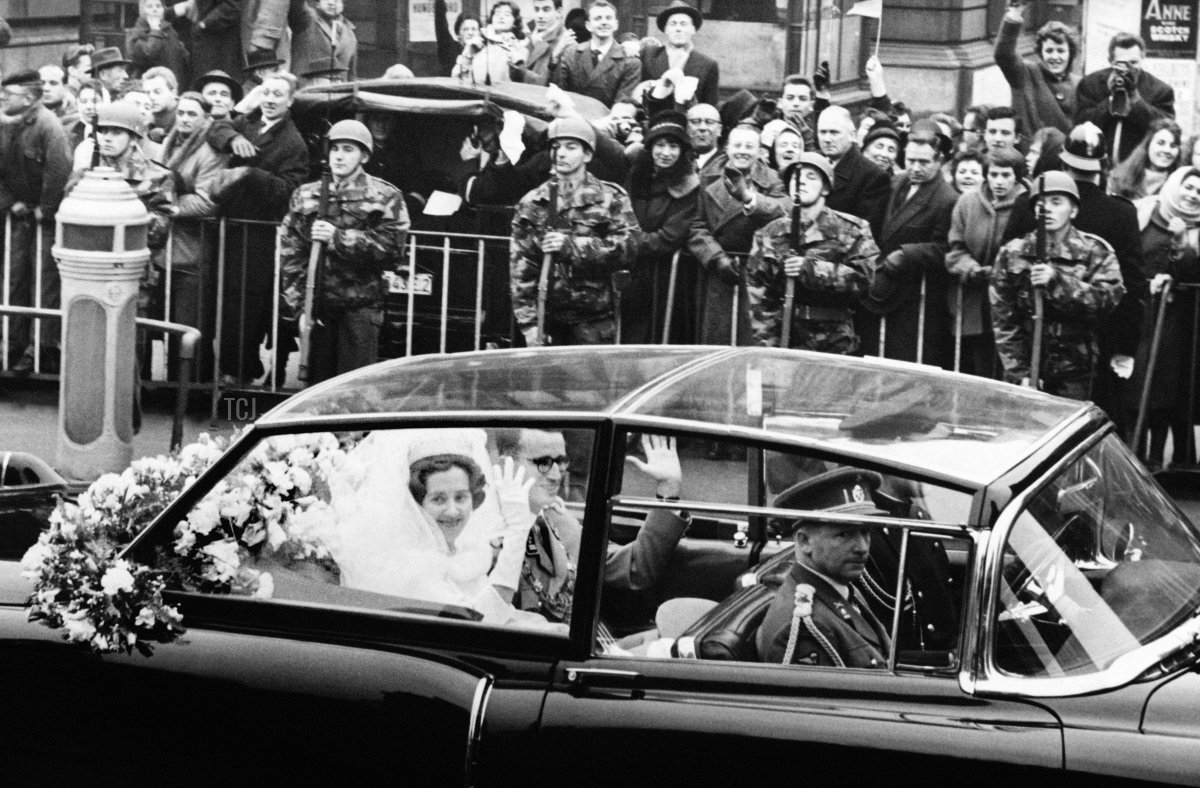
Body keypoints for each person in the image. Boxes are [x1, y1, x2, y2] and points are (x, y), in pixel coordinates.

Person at [328, 428, 564, 631]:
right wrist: (517, 532)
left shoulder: (460, 551)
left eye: (461, 497)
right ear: (416, 504)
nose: (453, 511)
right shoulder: (408, 565)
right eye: (438, 499)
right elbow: (482, 623)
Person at [1003, 126, 1146, 422]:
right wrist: (1125, 348)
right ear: (1102, 167)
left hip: (1032, 345)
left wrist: (1014, 362)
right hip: (1094, 346)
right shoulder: (1120, 213)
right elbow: (1132, 287)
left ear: (1064, 163)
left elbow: (1005, 294)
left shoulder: (1026, 204)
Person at [492, 429, 690, 630]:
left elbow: (634, 568)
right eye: (543, 462)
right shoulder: (482, 533)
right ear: (505, 465)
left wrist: (668, 488)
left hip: (596, 640)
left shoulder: (554, 516)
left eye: (560, 461)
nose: (555, 475)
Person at [279, 119, 409, 385]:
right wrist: (300, 307)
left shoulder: (385, 196)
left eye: (348, 149)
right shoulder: (305, 195)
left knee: (353, 389)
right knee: (316, 390)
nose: (339, 155)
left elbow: (392, 249)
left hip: (360, 307)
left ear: (364, 155)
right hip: (319, 307)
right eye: (335, 148)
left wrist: (338, 238)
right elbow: (292, 253)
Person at [206, 71, 309, 386]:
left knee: (246, 303)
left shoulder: (293, 142)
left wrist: (252, 174)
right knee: (223, 299)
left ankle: (240, 372)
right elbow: (216, 127)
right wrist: (233, 138)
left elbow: (290, 191)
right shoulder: (247, 122)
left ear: (290, 101)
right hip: (230, 228)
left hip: (260, 234)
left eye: (278, 94)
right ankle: (227, 368)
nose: (270, 99)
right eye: (266, 92)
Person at [991, 171, 1125, 399]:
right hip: (1026, 371)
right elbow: (1004, 319)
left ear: (1073, 210)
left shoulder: (1095, 252)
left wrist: (1058, 282)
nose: (1047, 209)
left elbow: (1106, 301)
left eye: (1056, 202)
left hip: (1075, 371)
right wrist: (1020, 372)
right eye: (1040, 203)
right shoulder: (1012, 253)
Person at [509, 116, 637, 346]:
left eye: (571, 147)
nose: (561, 154)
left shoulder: (611, 198)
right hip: (547, 321)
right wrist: (529, 326)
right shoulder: (533, 203)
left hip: (594, 322)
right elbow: (521, 269)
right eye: (556, 147)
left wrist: (571, 247)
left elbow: (629, 248)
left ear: (587, 154)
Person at [746, 152, 876, 353]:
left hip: (834, 340)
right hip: (784, 338)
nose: (801, 182)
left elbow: (865, 281)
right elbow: (758, 294)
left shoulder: (852, 229)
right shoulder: (769, 233)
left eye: (811, 176)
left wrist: (812, 270)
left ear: (825, 188)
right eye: (796, 177)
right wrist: (767, 347)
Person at [1120, 167, 1200, 469]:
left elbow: (1191, 273)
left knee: (1165, 386)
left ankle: (1156, 457)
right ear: (1174, 186)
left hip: (1174, 318)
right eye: (1188, 187)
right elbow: (1129, 255)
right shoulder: (1146, 211)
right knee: (1134, 379)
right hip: (1140, 309)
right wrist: (1146, 280)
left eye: (1198, 192)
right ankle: (1132, 450)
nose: (1192, 195)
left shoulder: (1195, 228)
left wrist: (1181, 243)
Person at [861, 119, 958, 365]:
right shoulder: (896, 183)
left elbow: (945, 249)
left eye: (924, 162)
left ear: (940, 161)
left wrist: (907, 254)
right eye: (911, 160)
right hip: (884, 292)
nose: (915, 167)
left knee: (906, 363)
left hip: (917, 301)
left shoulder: (947, 199)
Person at [687, 123, 792, 346]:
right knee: (717, 339)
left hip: (756, 271)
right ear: (727, 148)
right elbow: (696, 225)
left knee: (752, 338)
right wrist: (716, 258)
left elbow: (785, 210)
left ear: (759, 150)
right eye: (737, 145)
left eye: (749, 146)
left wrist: (750, 199)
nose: (743, 151)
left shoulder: (772, 179)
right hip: (720, 271)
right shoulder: (708, 177)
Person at [0, 70, 71, 376]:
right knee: (14, 281)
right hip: (18, 216)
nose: (2, 99)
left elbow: (59, 170)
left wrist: (47, 208)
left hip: (44, 220)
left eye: (7, 95)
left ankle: (40, 350)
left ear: (28, 98)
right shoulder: (5, 125)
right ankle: (12, 347)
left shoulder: (48, 126)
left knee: (44, 283)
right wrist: (10, 201)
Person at [756, 508, 891, 668]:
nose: (862, 548)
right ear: (804, 542)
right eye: (844, 534)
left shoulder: (840, 587)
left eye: (864, 532)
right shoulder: (806, 628)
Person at [159, 91, 228, 382]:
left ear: (205, 119)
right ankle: (174, 387)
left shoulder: (211, 151)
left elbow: (209, 201)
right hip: (166, 249)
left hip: (193, 251)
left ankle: (192, 389)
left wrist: (170, 206)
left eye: (192, 114)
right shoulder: (170, 141)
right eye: (182, 113)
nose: (184, 119)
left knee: (190, 325)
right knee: (170, 326)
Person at [945, 147, 1027, 378]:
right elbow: (955, 247)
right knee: (973, 369)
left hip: (1011, 304)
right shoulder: (968, 202)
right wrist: (970, 268)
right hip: (974, 300)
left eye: (1006, 175)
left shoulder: (1027, 204)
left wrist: (1001, 272)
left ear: (1017, 176)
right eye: (993, 174)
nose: (998, 182)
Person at [624, 110, 700, 344]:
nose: (666, 153)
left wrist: (625, 243)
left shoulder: (687, 186)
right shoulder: (637, 174)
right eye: (660, 145)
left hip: (664, 277)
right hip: (628, 270)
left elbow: (669, 237)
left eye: (673, 147)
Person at [1074, 32, 1174, 164]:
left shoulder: (1160, 91)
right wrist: (1110, 100)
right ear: (1110, 61)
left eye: (1133, 62)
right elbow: (1081, 125)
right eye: (1121, 63)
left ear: (1143, 57)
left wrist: (1135, 100)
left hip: (1138, 168)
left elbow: (1164, 129)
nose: (1129, 69)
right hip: (1095, 163)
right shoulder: (1091, 84)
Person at [993, 3, 1078, 135]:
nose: (1055, 57)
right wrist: (1015, 12)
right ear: (1041, 53)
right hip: (1032, 153)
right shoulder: (1026, 73)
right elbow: (1003, 55)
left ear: (1070, 53)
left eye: (1061, 51)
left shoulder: (1079, 84)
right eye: (1049, 51)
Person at [817, 106, 890, 239]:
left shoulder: (873, 176)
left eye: (834, 132)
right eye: (822, 132)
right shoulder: (815, 166)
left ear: (852, 135)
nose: (827, 139)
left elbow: (865, 234)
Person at [553, 0, 640, 108]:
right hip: (573, 119)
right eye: (597, 18)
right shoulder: (571, 53)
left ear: (616, 25)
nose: (604, 22)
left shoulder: (630, 62)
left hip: (607, 121)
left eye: (608, 18)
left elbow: (621, 105)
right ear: (588, 26)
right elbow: (560, 94)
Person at [639, 1, 719, 108]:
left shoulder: (708, 65)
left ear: (693, 29)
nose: (678, 29)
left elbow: (709, 105)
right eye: (673, 24)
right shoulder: (647, 54)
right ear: (666, 29)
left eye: (684, 24)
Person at [1108, 119, 1181, 202]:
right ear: (1148, 144)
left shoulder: (1180, 186)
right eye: (1161, 143)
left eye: (1173, 145)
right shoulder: (1117, 177)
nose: (1167, 150)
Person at [290, 0, 358, 88]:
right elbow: (297, 4)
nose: (331, 3)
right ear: (317, 3)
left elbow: (352, 76)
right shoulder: (305, 20)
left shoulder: (350, 34)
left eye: (337, 0)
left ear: (342, 5)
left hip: (339, 96)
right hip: (305, 93)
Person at [511, 0, 574, 86]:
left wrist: (517, 64)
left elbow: (553, 86)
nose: (540, 15)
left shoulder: (567, 42)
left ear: (559, 12)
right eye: (537, 10)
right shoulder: (531, 36)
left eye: (546, 10)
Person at [128, 0, 191, 85]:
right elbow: (148, 54)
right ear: (142, 10)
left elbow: (182, 58)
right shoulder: (135, 33)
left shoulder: (169, 30)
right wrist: (155, 30)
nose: (155, 9)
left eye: (158, 6)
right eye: (150, 6)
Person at [687, 103, 725, 184]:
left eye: (709, 122)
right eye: (695, 122)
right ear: (687, 128)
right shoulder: (678, 161)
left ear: (719, 130)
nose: (702, 127)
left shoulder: (727, 163)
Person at [142, 66, 180, 142]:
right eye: (147, 92)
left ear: (173, 93)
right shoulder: (145, 116)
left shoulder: (185, 115)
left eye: (157, 92)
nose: (151, 97)